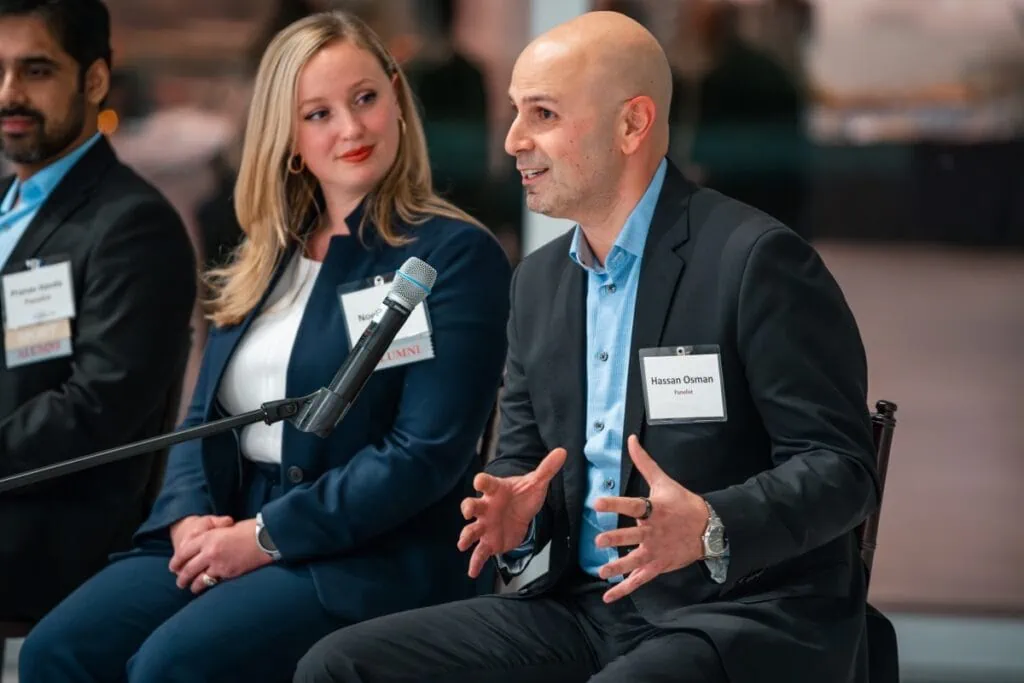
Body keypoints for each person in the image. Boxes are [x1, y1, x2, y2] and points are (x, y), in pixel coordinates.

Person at [295, 11, 879, 683]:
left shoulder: (754, 261)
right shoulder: (539, 284)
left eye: (542, 114)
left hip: (736, 610)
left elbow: (841, 468)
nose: (513, 140)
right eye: (515, 113)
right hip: (582, 609)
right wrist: (518, 515)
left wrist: (712, 523)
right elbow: (522, 463)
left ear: (632, 124)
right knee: (337, 666)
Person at [20, 10, 511, 683]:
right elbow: (201, 419)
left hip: (363, 552)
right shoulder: (264, 257)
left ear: (397, 94)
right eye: (318, 113)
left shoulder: (454, 256)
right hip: (230, 521)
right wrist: (188, 517)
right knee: (56, 649)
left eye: (366, 98)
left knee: (170, 664)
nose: (351, 127)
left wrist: (263, 535)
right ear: (285, 135)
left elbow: (423, 454)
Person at [0, 0, 196, 621]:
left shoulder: (132, 226)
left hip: (43, 527)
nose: (9, 94)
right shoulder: (8, 203)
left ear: (94, 80)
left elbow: (95, 409)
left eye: (35, 71)